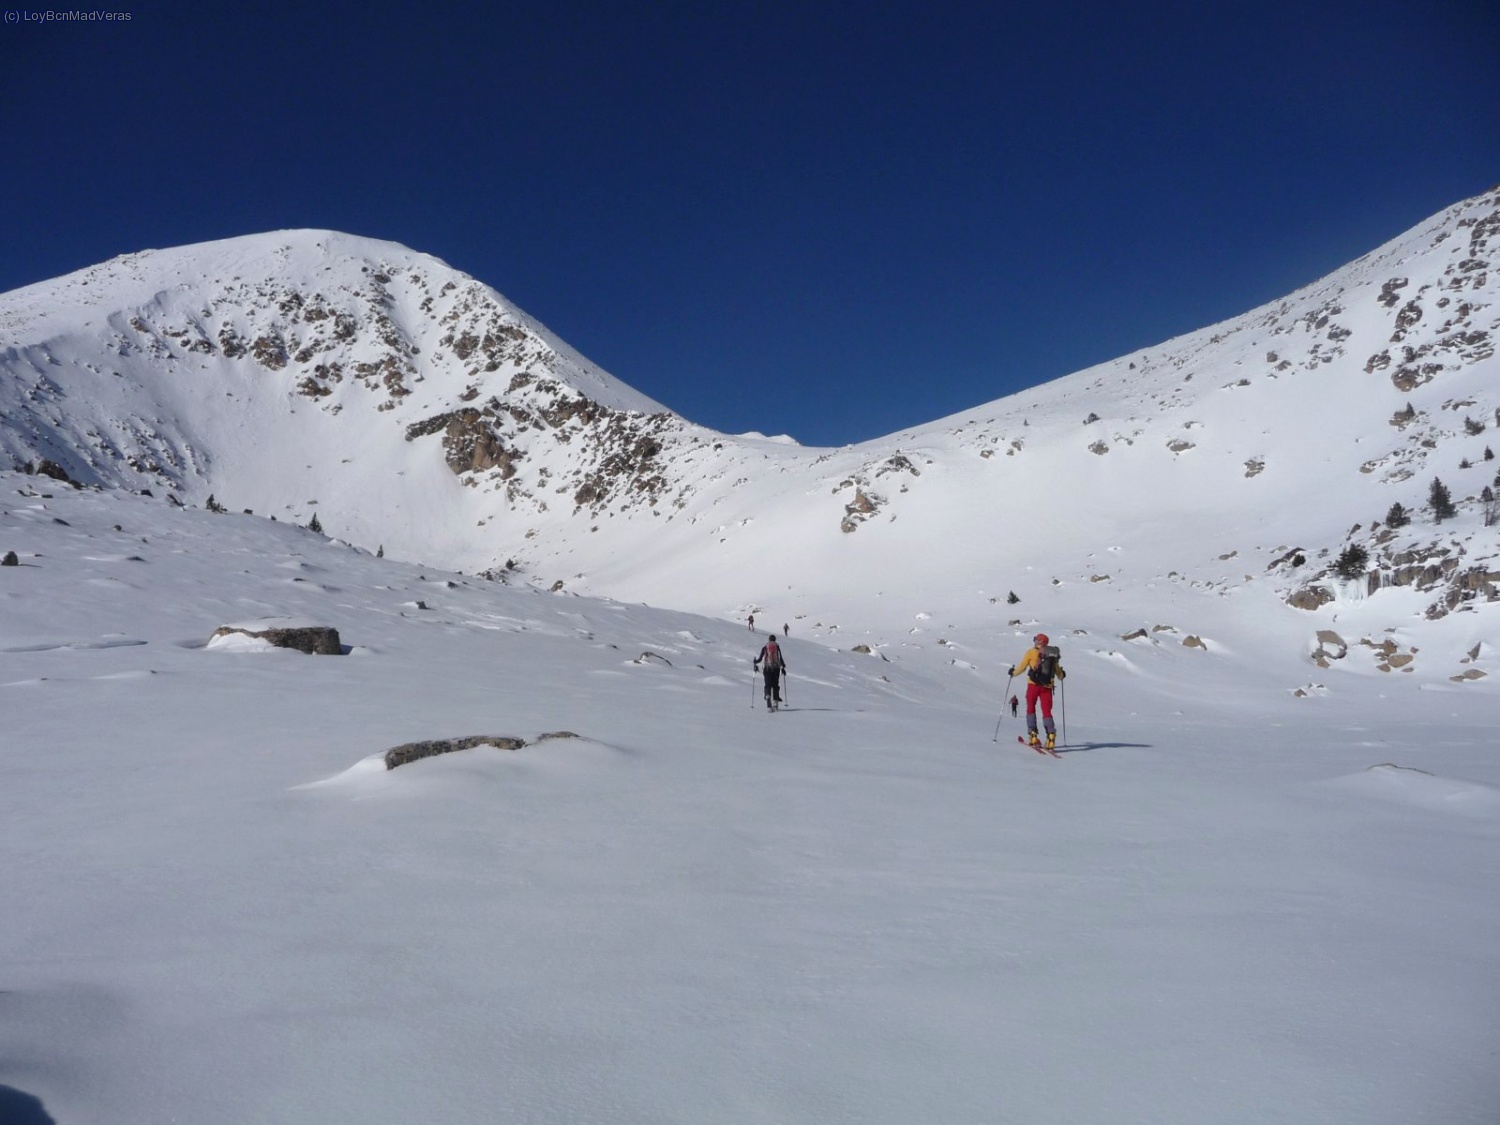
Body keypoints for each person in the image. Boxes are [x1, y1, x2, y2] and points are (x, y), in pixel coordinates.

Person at [1008, 633, 1065, 750]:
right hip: (1047, 687)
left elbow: (1022, 667)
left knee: (1030, 708)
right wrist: (1061, 675)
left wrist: (1013, 673)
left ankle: (1033, 734)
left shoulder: (1031, 652)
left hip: (1033, 685)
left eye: (1036, 640)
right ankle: (1051, 735)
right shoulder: (1052, 655)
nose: (1034, 641)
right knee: (1047, 711)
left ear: (1040, 642)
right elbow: (1058, 672)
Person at [754, 634, 787, 711]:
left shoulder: (765, 647)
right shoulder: (777, 647)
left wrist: (755, 661)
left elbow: (759, 659)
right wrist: (783, 667)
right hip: (776, 668)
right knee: (775, 685)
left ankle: (768, 700)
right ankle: (775, 703)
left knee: (768, 685)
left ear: (769, 640)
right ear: (775, 640)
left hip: (767, 668)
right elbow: (780, 658)